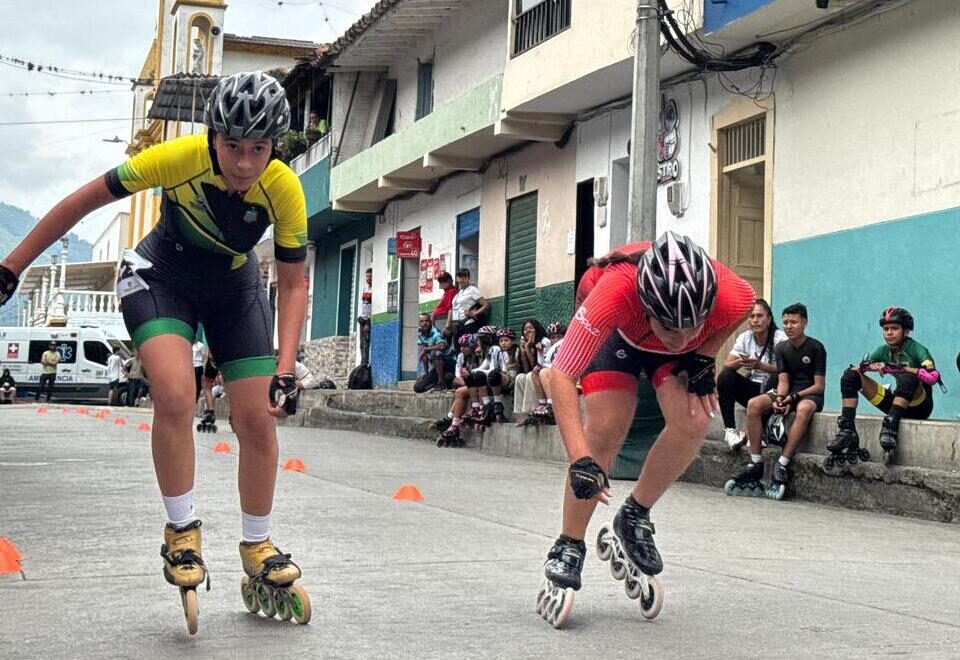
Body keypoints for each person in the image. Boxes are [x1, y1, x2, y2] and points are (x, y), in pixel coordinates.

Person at [0, 71, 311, 632]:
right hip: (161, 274)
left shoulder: (284, 187)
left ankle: (257, 545)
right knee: (174, 393)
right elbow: (81, 202)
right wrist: (13, 265)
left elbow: (292, 284)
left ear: (274, 148)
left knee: (259, 419)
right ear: (213, 137)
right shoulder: (177, 157)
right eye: (233, 146)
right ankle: (181, 531)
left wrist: (285, 369)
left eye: (258, 150)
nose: (244, 163)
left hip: (234, 289)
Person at [536, 233, 754, 628]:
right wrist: (579, 459)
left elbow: (746, 304)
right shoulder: (614, 291)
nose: (683, 337)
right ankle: (568, 544)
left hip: (664, 350)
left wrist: (704, 354)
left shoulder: (727, 296)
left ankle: (633, 516)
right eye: (673, 329)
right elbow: (561, 375)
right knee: (607, 425)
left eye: (695, 326)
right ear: (648, 307)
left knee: (695, 420)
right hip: (616, 337)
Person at [726, 303, 826, 500]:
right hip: (788, 391)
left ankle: (782, 463)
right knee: (754, 404)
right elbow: (783, 380)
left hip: (809, 393)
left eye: (794, 322)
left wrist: (795, 397)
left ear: (804, 323)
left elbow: (819, 386)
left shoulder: (816, 347)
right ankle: (755, 463)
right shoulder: (781, 348)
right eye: (786, 322)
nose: (789, 326)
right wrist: (780, 399)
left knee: (804, 409)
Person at [829, 307, 940, 464]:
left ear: (906, 331)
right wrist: (869, 367)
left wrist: (901, 368)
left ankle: (890, 425)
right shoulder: (883, 350)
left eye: (894, 328)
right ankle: (847, 429)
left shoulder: (917, 349)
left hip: (919, 406)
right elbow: (858, 368)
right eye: (885, 329)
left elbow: (932, 376)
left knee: (908, 377)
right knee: (850, 376)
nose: (889, 332)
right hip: (896, 404)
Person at [717, 299, 786, 450]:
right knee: (725, 376)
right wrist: (741, 361)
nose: (755, 320)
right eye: (751, 316)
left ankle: (757, 432)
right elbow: (727, 364)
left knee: (777, 376)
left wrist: (761, 366)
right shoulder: (744, 337)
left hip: (774, 391)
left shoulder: (780, 338)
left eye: (760, 316)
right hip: (753, 390)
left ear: (769, 319)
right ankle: (730, 431)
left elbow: (787, 369)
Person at [435, 333, 480, 446]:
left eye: (466, 346)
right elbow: (457, 374)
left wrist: (469, 379)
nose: (462, 349)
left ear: (472, 346)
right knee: (454, 381)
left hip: (480, 385)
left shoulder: (479, 355)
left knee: (459, 392)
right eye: (461, 346)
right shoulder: (461, 356)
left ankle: (451, 421)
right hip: (466, 383)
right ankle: (451, 422)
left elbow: (480, 373)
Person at [513, 319, 549, 422]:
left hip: (544, 373)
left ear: (536, 329)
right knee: (520, 377)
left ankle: (531, 411)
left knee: (530, 376)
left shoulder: (543, 341)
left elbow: (538, 366)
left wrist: (529, 349)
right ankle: (521, 414)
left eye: (531, 328)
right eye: (525, 329)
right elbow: (526, 369)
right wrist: (524, 351)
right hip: (533, 372)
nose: (528, 331)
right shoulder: (526, 344)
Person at [447, 268, 489, 340]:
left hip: (468, 324)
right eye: (459, 276)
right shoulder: (459, 293)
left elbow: (486, 304)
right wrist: (448, 324)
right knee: (459, 349)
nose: (461, 279)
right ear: (457, 279)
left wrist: (474, 314)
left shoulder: (472, 290)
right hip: (457, 326)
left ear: (468, 278)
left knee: (467, 348)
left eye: (464, 276)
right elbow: (453, 309)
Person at [416, 312, 449, 391]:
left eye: (427, 321)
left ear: (430, 322)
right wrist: (426, 373)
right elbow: (423, 356)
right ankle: (433, 380)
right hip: (435, 369)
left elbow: (442, 346)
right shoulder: (421, 334)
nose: (424, 323)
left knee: (436, 352)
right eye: (422, 321)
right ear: (419, 323)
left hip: (447, 365)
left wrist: (426, 349)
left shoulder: (435, 333)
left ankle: (441, 383)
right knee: (418, 387)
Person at [358, 268, 372, 366]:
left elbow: (373, 306)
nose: (369, 278)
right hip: (362, 319)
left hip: (368, 321)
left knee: (366, 344)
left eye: (370, 276)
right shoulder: (365, 288)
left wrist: (368, 322)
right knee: (361, 344)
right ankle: (362, 363)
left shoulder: (375, 289)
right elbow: (363, 304)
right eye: (367, 276)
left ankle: (365, 364)